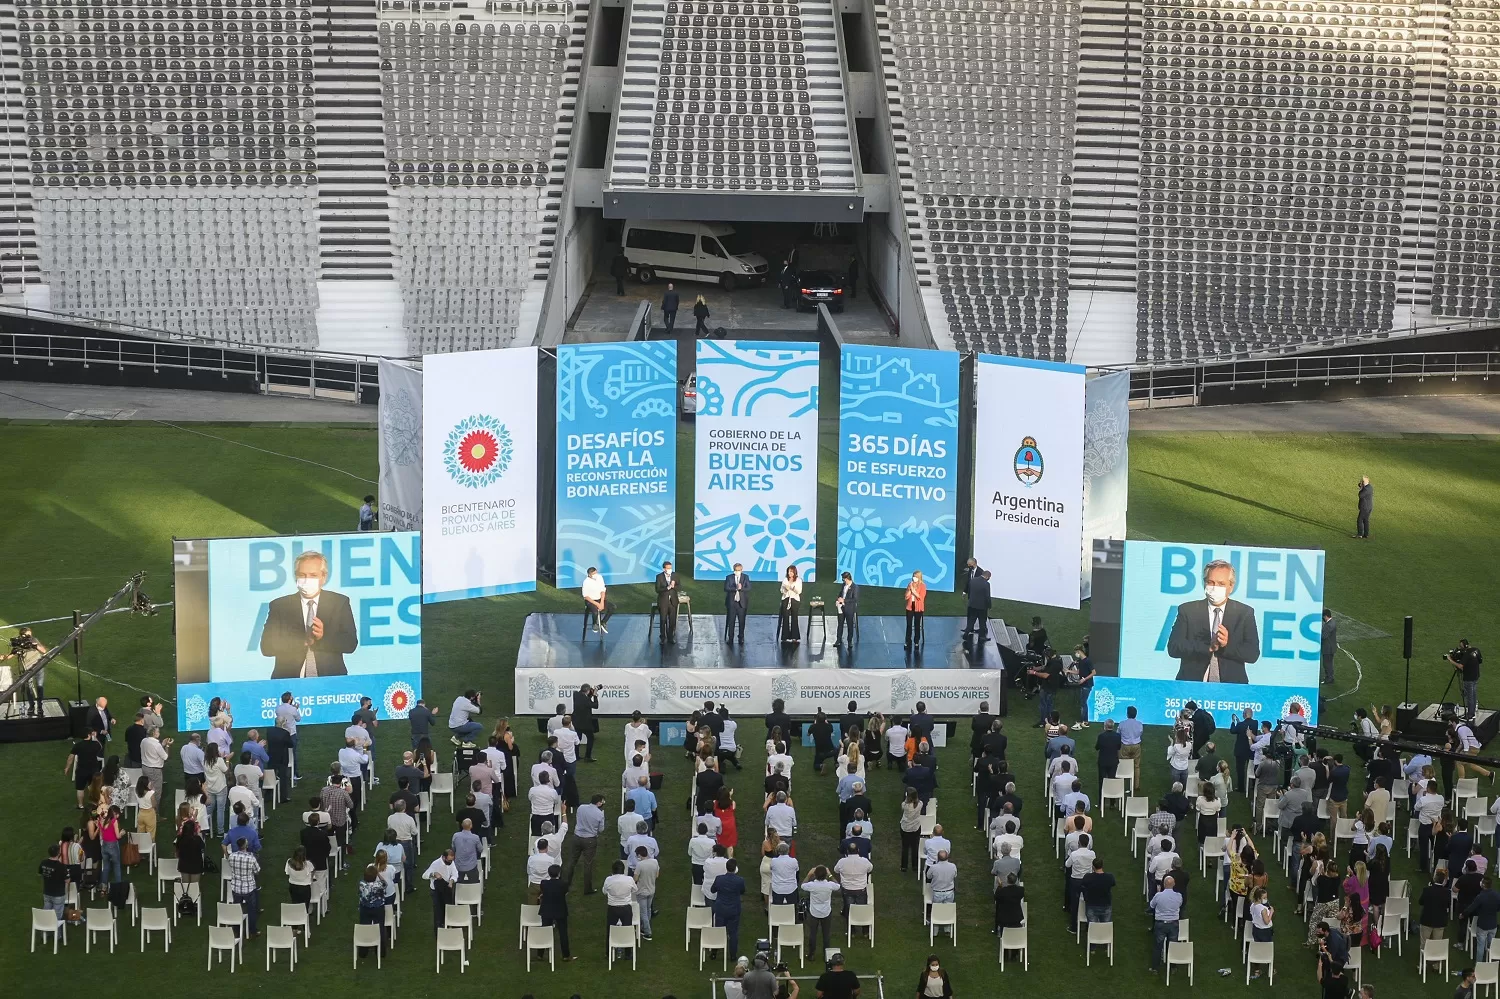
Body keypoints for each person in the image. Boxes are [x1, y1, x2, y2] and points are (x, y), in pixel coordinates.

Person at [259, 550, 358, 679]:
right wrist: (302, 641)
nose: (307, 580)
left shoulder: (339, 603)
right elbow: (267, 647)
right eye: (302, 575)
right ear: (296, 576)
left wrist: (323, 636)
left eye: (313, 575)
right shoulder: (280, 606)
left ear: (323, 577)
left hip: (330, 682)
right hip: (289, 682)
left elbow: (350, 644)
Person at [1167, 559, 1261, 683]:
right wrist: (1207, 647)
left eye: (1221, 584)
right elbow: (1174, 648)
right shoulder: (1188, 610)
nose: (1215, 588)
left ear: (1231, 586)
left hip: (1231, 688)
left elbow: (1252, 654)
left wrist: (1227, 645)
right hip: (1191, 685)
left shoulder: (1244, 613)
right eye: (1210, 582)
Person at [538, 863, 578, 960]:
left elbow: (544, 893)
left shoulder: (544, 883)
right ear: (559, 873)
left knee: (544, 931)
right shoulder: (563, 884)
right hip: (560, 910)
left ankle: (540, 955)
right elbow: (565, 893)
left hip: (547, 910)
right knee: (563, 933)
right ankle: (566, 955)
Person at [710, 857, 747, 957]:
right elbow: (742, 891)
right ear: (735, 869)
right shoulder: (740, 880)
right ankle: (733, 955)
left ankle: (714, 952)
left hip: (721, 909)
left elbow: (712, 890)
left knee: (718, 930)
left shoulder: (719, 879)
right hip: (734, 909)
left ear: (726, 868)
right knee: (733, 932)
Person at [226, 835, 262, 936]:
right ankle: (252, 931)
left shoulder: (232, 856)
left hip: (236, 887)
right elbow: (257, 871)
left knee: (237, 908)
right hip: (249, 888)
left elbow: (231, 866)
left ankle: (236, 929)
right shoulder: (251, 858)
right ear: (246, 845)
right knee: (251, 910)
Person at [1464, 875, 1500, 962]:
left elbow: (1471, 908)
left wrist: (1463, 914)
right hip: (1493, 925)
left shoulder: (1481, 896)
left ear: (1483, 885)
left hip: (1483, 925)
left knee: (1480, 946)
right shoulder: (1497, 895)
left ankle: (1479, 964)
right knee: (1491, 945)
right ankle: (1491, 962)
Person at [424, 848, 457, 934]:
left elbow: (455, 873)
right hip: (436, 891)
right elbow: (424, 875)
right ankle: (438, 933)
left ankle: (448, 927)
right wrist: (433, 874)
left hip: (446, 888)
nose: (450, 862)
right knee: (438, 912)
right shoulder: (436, 863)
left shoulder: (451, 863)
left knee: (448, 908)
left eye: (452, 860)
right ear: (443, 857)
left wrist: (452, 880)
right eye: (449, 860)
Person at [1449, 640, 1484, 722]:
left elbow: (1460, 666)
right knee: (1474, 695)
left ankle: (1470, 715)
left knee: (1469, 697)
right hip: (1475, 676)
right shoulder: (1476, 650)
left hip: (1468, 678)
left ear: (1465, 646)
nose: (1460, 648)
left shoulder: (1466, 654)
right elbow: (1480, 661)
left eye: (1461, 647)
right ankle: (1472, 713)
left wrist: (1450, 660)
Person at [1081, 856, 1115, 923]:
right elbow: (1113, 884)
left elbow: (1083, 885)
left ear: (1093, 867)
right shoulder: (1110, 877)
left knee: (1092, 927)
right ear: (1102, 866)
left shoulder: (1087, 877)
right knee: (1105, 927)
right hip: (1106, 905)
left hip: (1091, 905)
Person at [581, 567, 613, 635]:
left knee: (612, 607)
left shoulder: (599, 577)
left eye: (596, 573)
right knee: (595, 611)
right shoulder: (586, 582)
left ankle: (603, 622)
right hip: (590, 601)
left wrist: (601, 602)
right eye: (594, 574)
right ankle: (594, 624)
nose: (596, 575)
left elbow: (602, 590)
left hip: (599, 599)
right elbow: (586, 596)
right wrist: (597, 604)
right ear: (590, 575)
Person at [655, 559, 680, 645]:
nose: (669, 569)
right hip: (663, 602)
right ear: (664, 569)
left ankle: (671, 637)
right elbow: (657, 589)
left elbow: (679, 586)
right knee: (663, 620)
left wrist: (674, 586)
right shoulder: (659, 577)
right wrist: (667, 588)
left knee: (672, 621)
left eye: (670, 568)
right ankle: (662, 638)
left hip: (673, 601)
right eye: (668, 568)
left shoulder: (675, 575)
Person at [724, 562, 751, 643]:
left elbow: (749, 588)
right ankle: (730, 637)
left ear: (741, 570)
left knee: (742, 621)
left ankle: (741, 637)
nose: (737, 571)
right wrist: (735, 588)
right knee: (731, 621)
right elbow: (726, 588)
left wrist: (741, 588)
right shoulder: (729, 578)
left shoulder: (745, 577)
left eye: (739, 570)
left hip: (742, 603)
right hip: (732, 603)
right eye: (736, 570)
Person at [964, 570, 992, 642]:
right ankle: (982, 637)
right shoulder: (986, 584)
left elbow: (970, 591)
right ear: (987, 576)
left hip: (972, 604)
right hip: (981, 606)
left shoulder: (973, 580)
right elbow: (987, 597)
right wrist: (989, 605)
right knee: (982, 622)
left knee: (971, 620)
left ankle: (966, 633)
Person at [903, 570, 927, 649]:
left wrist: (914, 591)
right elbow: (906, 597)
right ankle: (907, 641)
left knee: (917, 625)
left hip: (918, 608)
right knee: (909, 625)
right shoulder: (910, 584)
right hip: (910, 607)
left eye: (916, 577)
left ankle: (916, 641)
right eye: (913, 576)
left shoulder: (923, 586)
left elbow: (921, 597)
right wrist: (910, 590)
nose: (914, 578)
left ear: (919, 577)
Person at [779, 565, 803, 643]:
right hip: (786, 599)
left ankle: (795, 637)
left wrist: (793, 588)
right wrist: (785, 589)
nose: (790, 573)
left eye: (792, 572)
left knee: (794, 617)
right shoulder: (785, 580)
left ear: (794, 572)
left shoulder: (798, 580)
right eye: (789, 571)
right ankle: (785, 636)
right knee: (785, 617)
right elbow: (781, 590)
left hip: (794, 600)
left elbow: (799, 591)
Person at [834, 571, 859, 645]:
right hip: (841, 607)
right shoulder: (843, 585)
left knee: (849, 625)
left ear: (847, 578)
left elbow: (855, 599)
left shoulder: (855, 587)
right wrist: (838, 599)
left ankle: (849, 641)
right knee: (840, 624)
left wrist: (844, 600)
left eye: (844, 579)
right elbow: (841, 593)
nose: (843, 581)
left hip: (849, 609)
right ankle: (838, 639)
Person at [1321, 608, 1339, 685]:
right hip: (1331, 647)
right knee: (1329, 663)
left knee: (1326, 664)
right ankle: (1330, 677)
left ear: (1325, 616)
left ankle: (1329, 679)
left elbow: (1323, 637)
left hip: (1327, 648)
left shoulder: (1328, 626)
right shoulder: (1332, 622)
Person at [1354, 475, 1373, 539]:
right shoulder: (1370, 487)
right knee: (1366, 520)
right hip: (1369, 507)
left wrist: (1361, 489)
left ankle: (1360, 534)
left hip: (1364, 507)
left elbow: (1360, 495)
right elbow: (1360, 485)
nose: (1361, 482)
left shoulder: (1366, 489)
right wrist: (1361, 486)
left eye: (1362, 481)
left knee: (1359, 520)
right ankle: (1366, 534)